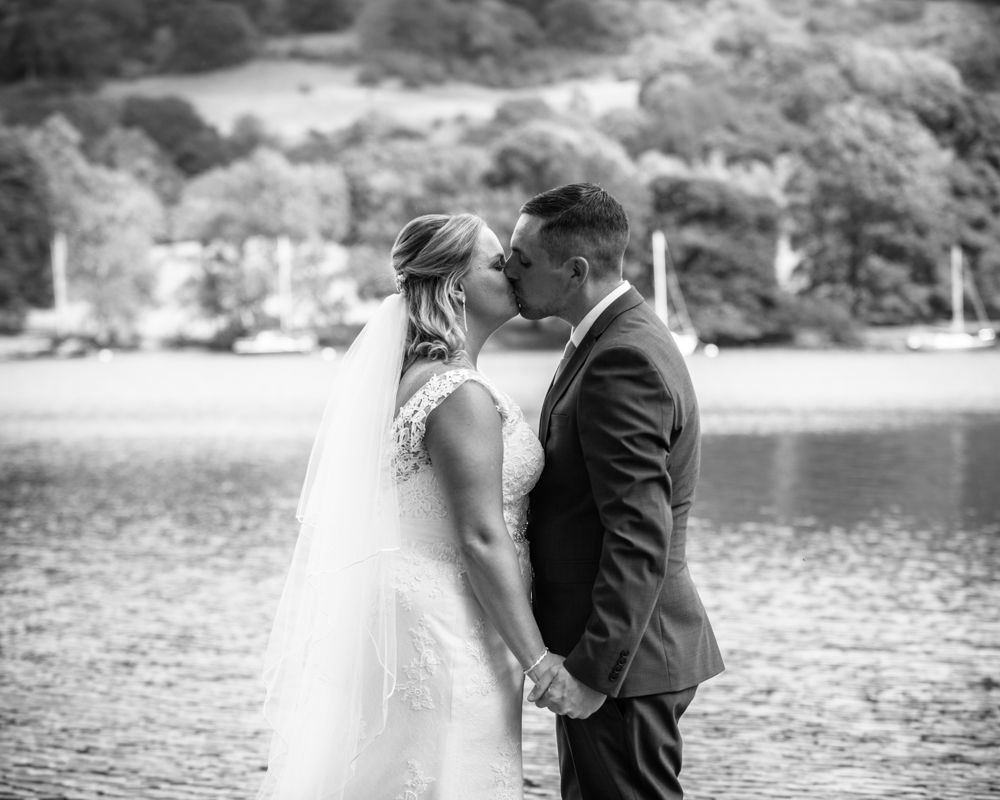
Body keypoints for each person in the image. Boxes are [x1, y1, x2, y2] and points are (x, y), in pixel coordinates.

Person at [257, 213, 560, 800]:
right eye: (498, 264)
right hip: (451, 622)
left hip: (425, 610)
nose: (513, 273)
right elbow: (480, 536)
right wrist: (539, 661)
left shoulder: (415, 377)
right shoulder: (459, 393)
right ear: (456, 287)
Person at [504, 183, 725, 799]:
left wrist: (595, 673)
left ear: (575, 270)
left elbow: (639, 533)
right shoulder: (610, 338)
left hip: (624, 662)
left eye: (523, 258)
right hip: (619, 651)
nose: (508, 268)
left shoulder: (622, 358)